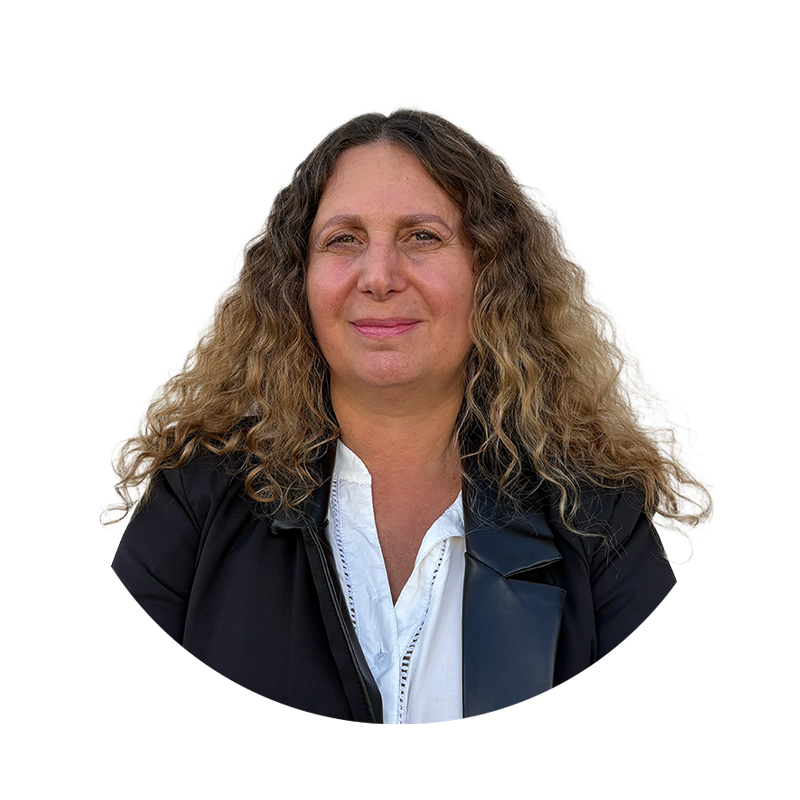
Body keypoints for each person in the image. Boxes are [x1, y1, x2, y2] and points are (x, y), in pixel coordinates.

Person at [100, 102, 715, 724]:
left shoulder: (598, 521)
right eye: (344, 239)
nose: (379, 276)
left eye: (422, 236)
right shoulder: (194, 504)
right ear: (296, 281)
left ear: (492, 275)